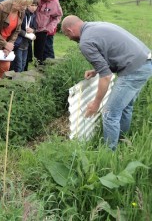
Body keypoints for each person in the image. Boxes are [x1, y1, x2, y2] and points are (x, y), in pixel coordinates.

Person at [61, 15, 152, 150]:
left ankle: (109, 153)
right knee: (125, 107)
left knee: (109, 114)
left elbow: (106, 77)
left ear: (70, 30)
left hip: (134, 70)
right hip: (145, 62)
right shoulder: (95, 26)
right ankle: (122, 141)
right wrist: (96, 70)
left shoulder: (85, 42)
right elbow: (111, 52)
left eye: (66, 35)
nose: (68, 38)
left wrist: (96, 103)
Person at [0, 0, 33, 79]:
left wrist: (10, 44)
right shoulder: (1, 7)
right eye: (22, 5)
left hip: (7, 42)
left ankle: (1, 90)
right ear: (16, 0)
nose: (24, 8)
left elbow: (17, 30)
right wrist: (4, 44)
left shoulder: (21, 12)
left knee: (5, 68)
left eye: (26, 6)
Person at [32, 0, 62, 65]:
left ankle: (50, 69)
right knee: (36, 52)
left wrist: (49, 28)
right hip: (34, 27)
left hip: (46, 30)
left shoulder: (54, 2)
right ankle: (36, 68)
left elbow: (58, 16)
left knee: (47, 52)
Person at [10, 0, 38, 72]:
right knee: (18, 64)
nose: (34, 8)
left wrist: (33, 30)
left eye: (36, 6)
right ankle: (15, 81)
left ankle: (21, 82)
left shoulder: (33, 15)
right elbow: (16, 27)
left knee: (23, 63)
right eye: (32, 5)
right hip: (18, 43)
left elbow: (35, 27)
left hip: (26, 44)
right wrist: (26, 34)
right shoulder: (22, 13)